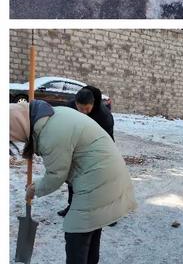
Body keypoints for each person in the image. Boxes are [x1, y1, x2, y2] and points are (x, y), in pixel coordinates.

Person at [10, 100, 136, 264]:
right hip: (105, 173)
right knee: (91, 228)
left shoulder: (51, 132)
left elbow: (56, 176)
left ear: (19, 127)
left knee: (76, 233)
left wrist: (35, 189)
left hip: (99, 177)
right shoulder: (52, 116)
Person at [57, 86, 115, 217]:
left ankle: (109, 213)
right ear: (76, 103)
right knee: (73, 179)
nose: (83, 112)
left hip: (98, 148)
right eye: (80, 108)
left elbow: (109, 140)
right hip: (76, 148)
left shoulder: (103, 116)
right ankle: (72, 207)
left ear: (93, 104)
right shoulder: (69, 108)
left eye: (86, 109)